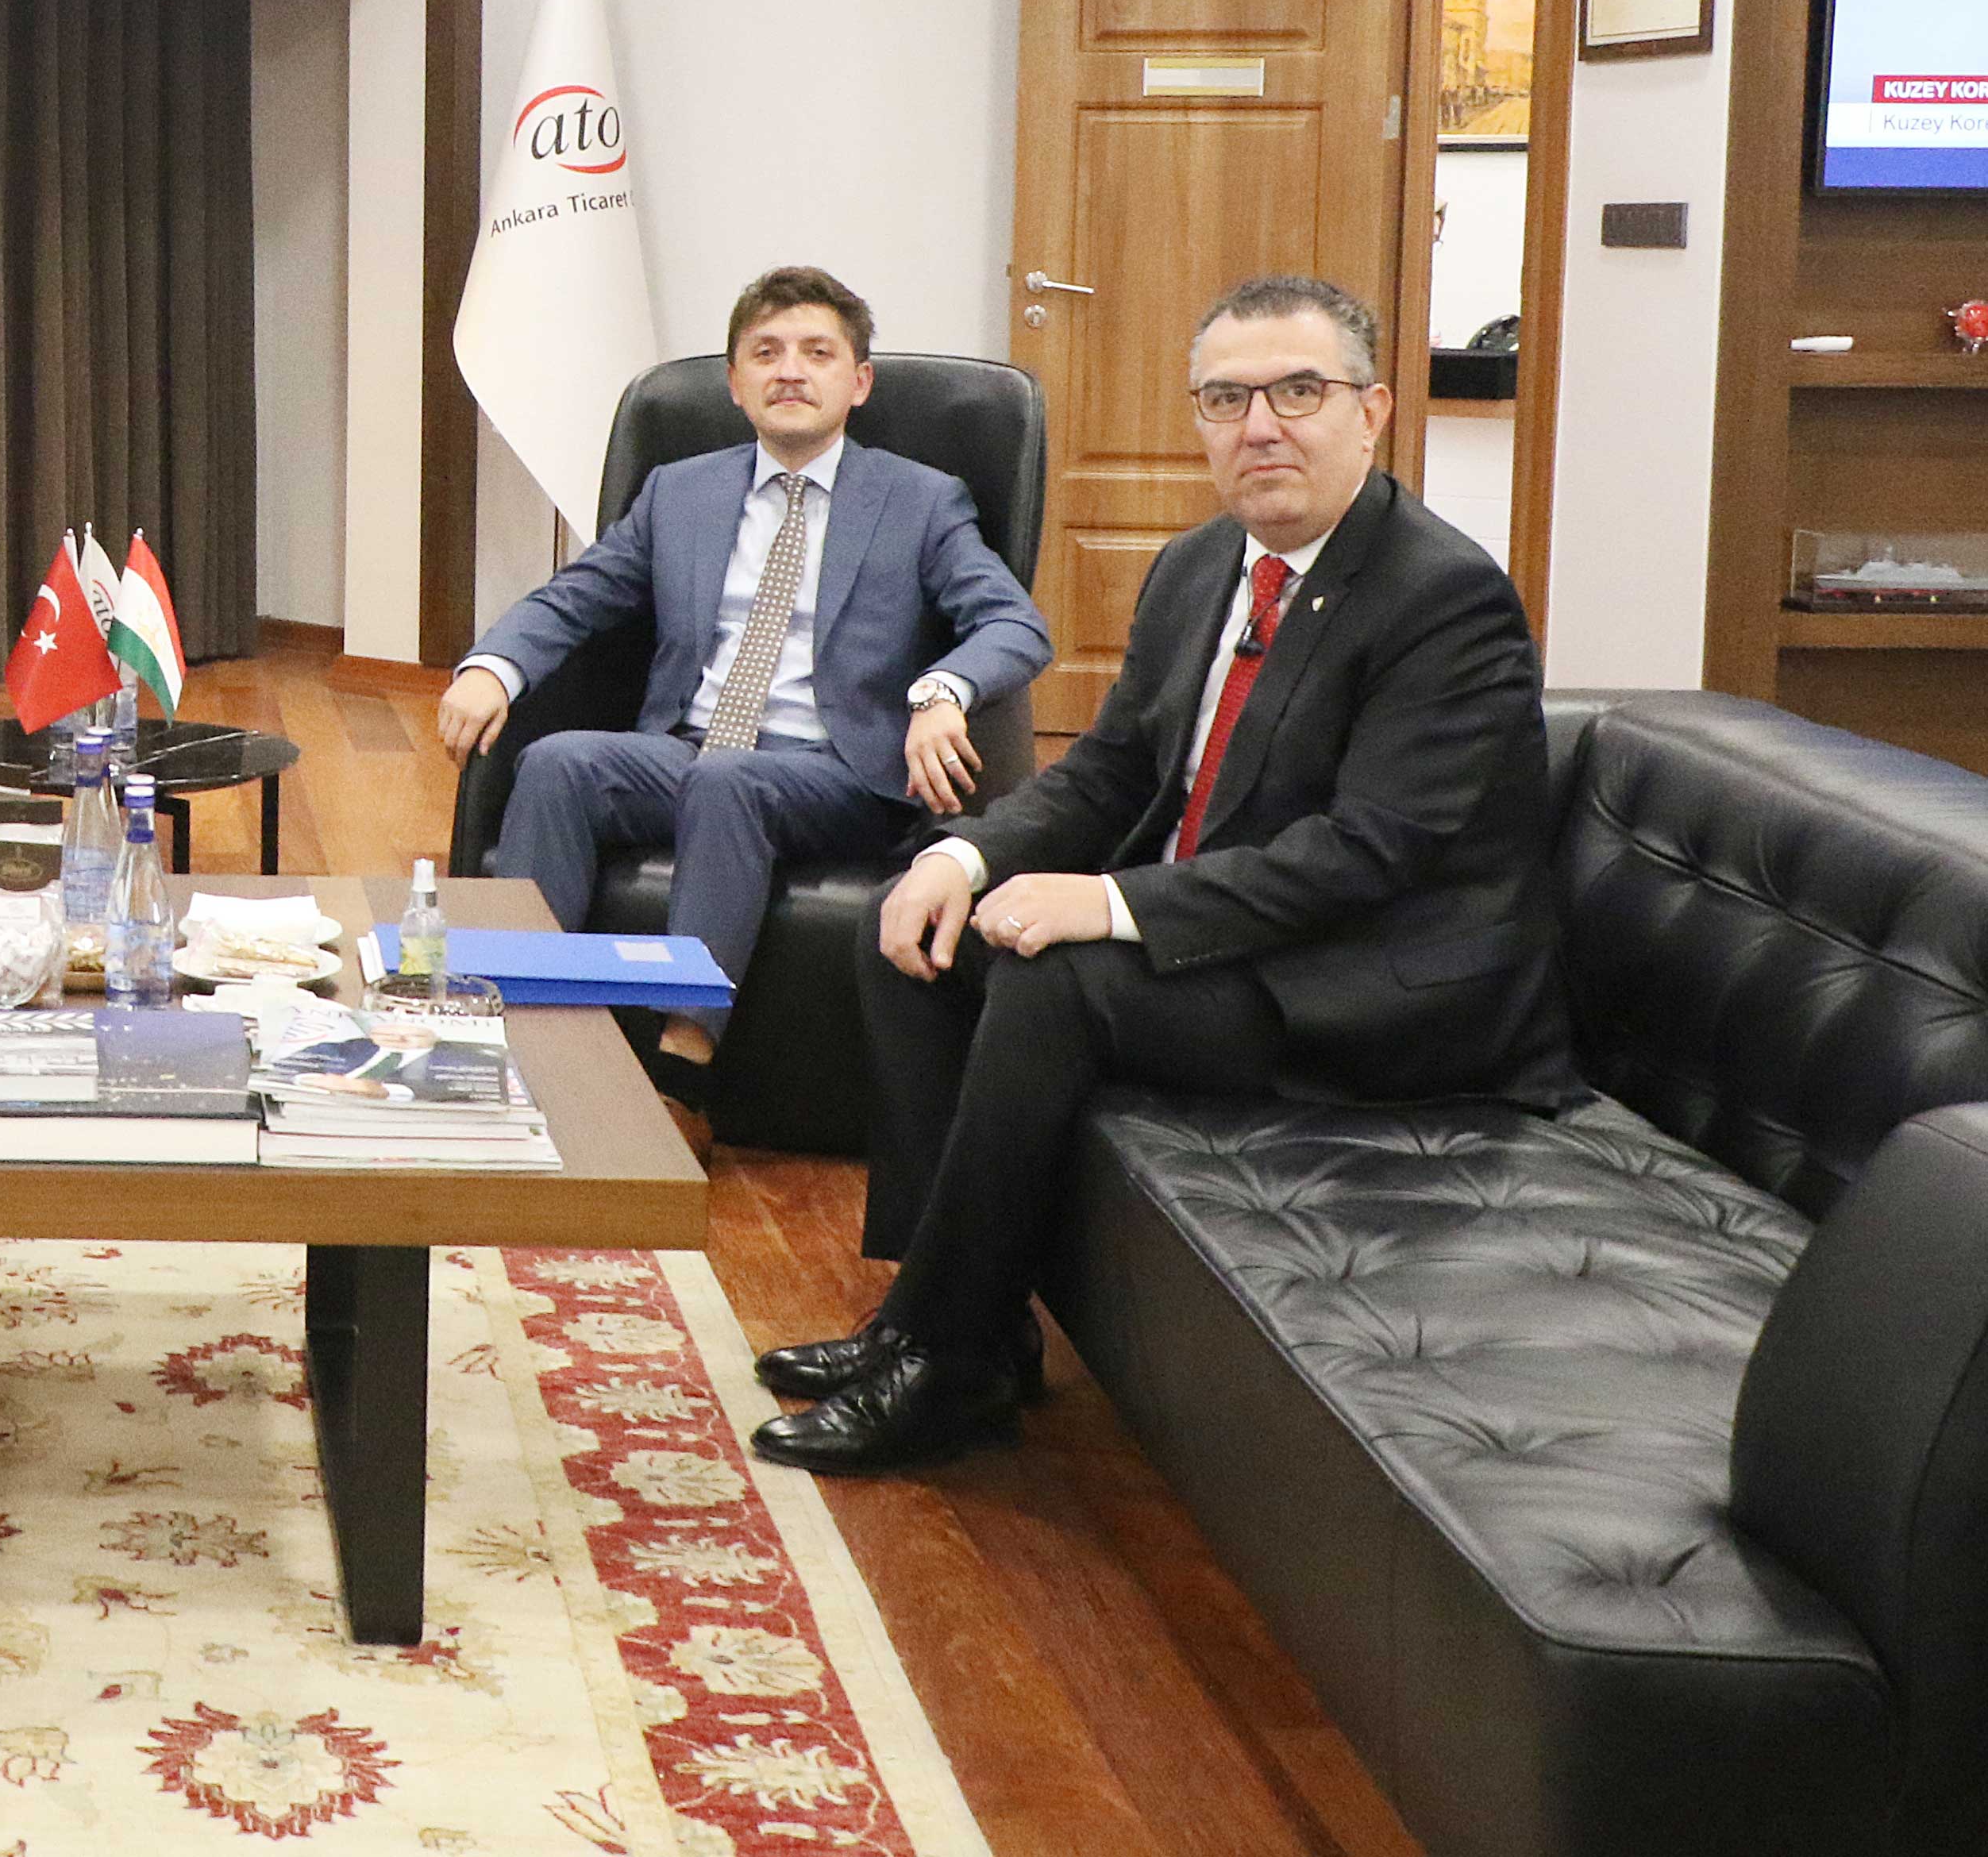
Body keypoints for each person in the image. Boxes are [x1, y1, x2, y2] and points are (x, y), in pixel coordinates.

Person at [749, 273, 1570, 1477]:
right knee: (916, 925)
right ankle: (951, 1321)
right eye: (1227, 399)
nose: (1261, 427)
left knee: (1054, 980)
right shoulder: (1197, 566)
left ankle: (946, 1359)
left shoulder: (1443, 597)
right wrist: (964, 854)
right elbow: (1112, 770)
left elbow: (1366, 853)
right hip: (1232, 934)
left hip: (1373, 983)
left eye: (1299, 392)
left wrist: (1108, 902)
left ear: (1372, 410)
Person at [438, 266, 1048, 1085]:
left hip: (839, 772)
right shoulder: (678, 491)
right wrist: (494, 667)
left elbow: (1013, 623)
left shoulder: (922, 500)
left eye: (817, 353)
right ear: (734, 383)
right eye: (766, 352)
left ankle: (684, 1067)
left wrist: (942, 691)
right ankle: (511, 1033)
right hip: (690, 750)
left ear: (859, 382)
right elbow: (577, 596)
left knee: (728, 780)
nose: (789, 371)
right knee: (558, 762)